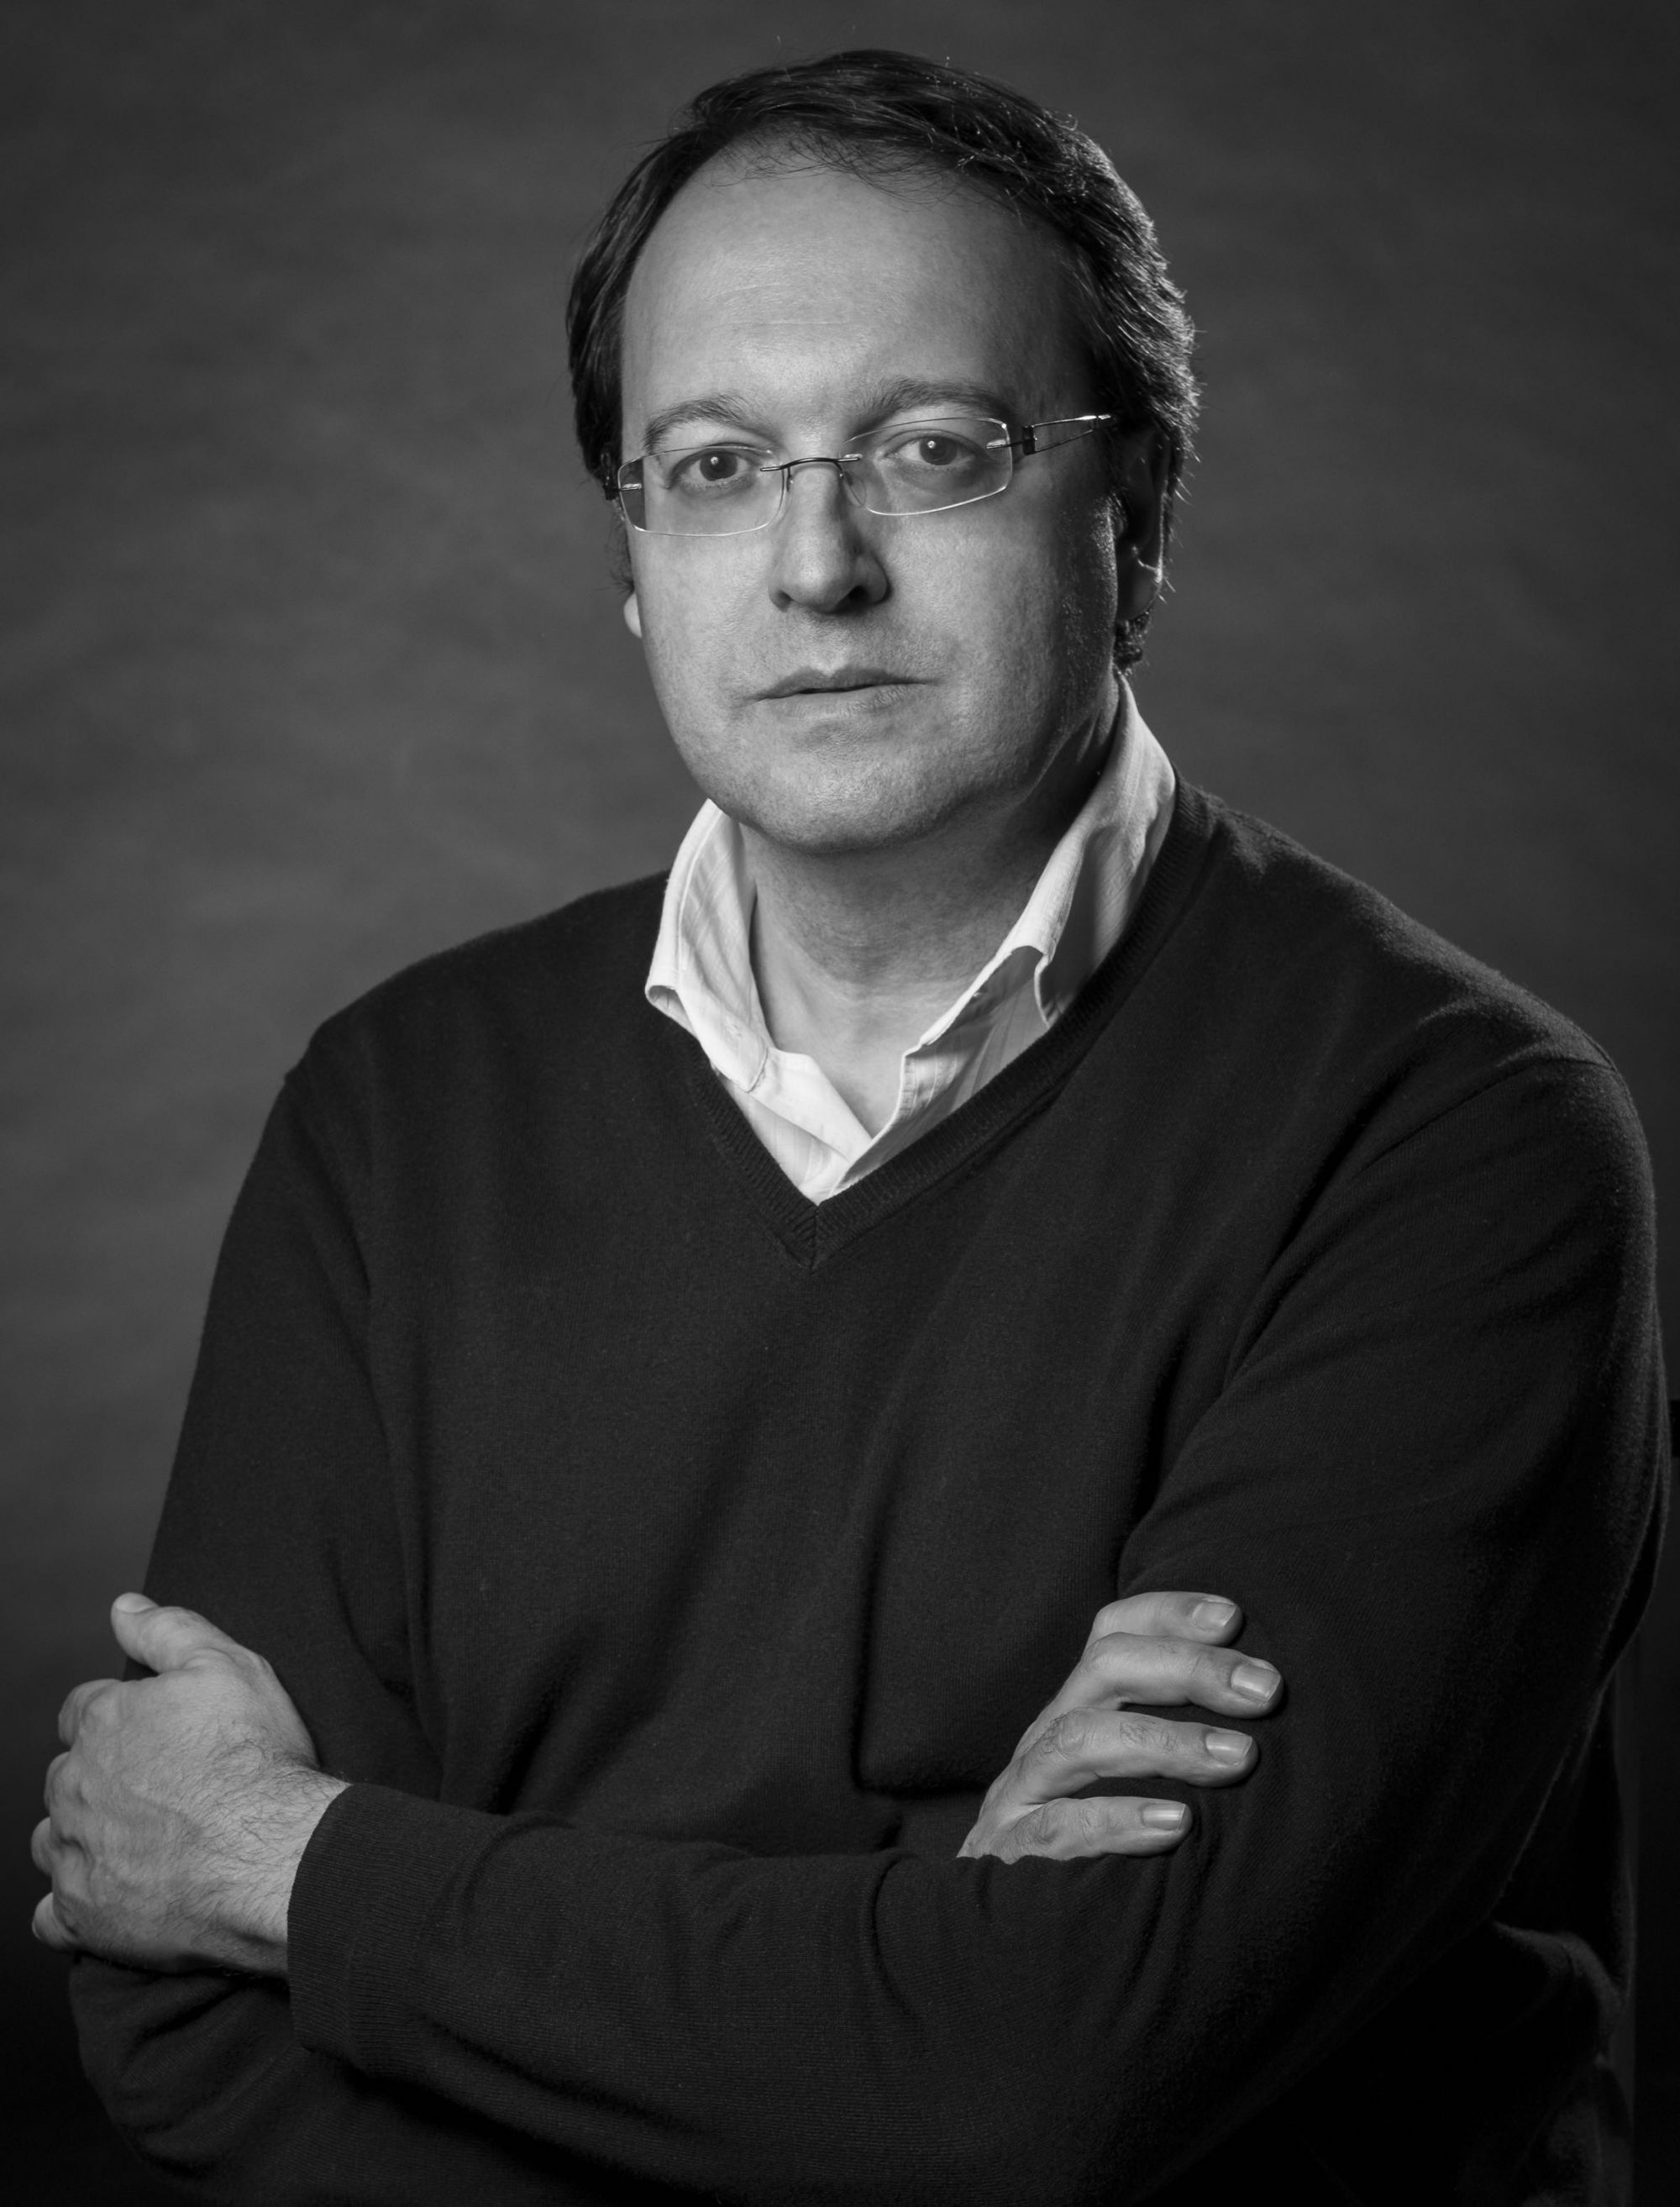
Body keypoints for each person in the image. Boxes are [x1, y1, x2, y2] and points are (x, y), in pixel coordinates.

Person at [33, 49, 1666, 2207]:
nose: (815, 564)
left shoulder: (1451, 1139)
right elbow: (184, 2022)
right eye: (714, 466)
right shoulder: (395, 1110)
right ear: (632, 559)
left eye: (933, 450)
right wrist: (918, 2007)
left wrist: (290, 1864)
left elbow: (1068, 2077)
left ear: (1136, 515)